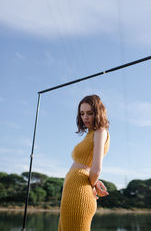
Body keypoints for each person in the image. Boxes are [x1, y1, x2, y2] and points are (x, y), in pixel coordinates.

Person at [58, 94, 110, 231]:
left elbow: (96, 169)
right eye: (82, 113)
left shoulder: (100, 131)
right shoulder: (90, 133)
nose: (85, 117)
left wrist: (92, 184)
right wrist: (93, 181)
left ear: (98, 113)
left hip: (79, 191)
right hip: (72, 190)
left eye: (89, 113)